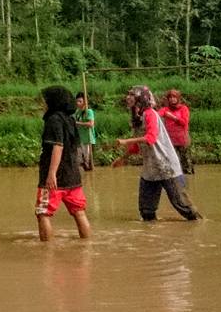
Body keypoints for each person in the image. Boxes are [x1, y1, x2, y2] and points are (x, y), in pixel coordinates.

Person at [113, 85, 201, 222]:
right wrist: (123, 158)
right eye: (128, 94)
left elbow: (150, 138)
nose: (128, 97)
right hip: (150, 169)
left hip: (166, 166)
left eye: (131, 95)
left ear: (140, 99)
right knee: (146, 212)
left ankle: (200, 224)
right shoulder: (137, 118)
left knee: (183, 206)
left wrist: (126, 141)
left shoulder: (150, 114)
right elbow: (137, 147)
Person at [35, 86, 91, 242]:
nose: (43, 104)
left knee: (43, 213)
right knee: (79, 211)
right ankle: (87, 246)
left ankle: (47, 253)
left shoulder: (53, 120)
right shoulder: (70, 120)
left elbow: (57, 146)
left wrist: (51, 174)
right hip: (73, 175)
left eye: (45, 101)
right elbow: (75, 147)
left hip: (55, 177)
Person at [158, 89, 193, 174]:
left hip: (183, 139)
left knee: (186, 164)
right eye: (170, 97)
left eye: (174, 97)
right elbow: (156, 116)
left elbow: (184, 122)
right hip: (170, 141)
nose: (172, 99)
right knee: (172, 162)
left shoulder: (183, 109)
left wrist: (173, 117)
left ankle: (189, 180)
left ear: (178, 98)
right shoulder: (165, 109)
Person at [74, 91, 96, 171]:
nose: (77, 103)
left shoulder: (89, 111)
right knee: (80, 161)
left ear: (85, 102)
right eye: (77, 101)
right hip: (80, 140)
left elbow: (91, 124)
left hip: (88, 139)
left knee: (88, 162)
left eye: (80, 101)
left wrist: (78, 123)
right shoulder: (77, 112)